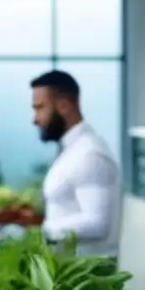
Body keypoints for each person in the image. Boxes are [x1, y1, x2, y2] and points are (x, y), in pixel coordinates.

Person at [30, 70, 120, 255]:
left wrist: (43, 231)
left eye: (39, 108)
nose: (35, 119)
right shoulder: (72, 149)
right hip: (67, 268)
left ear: (63, 105)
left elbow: (98, 223)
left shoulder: (90, 154)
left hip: (86, 275)